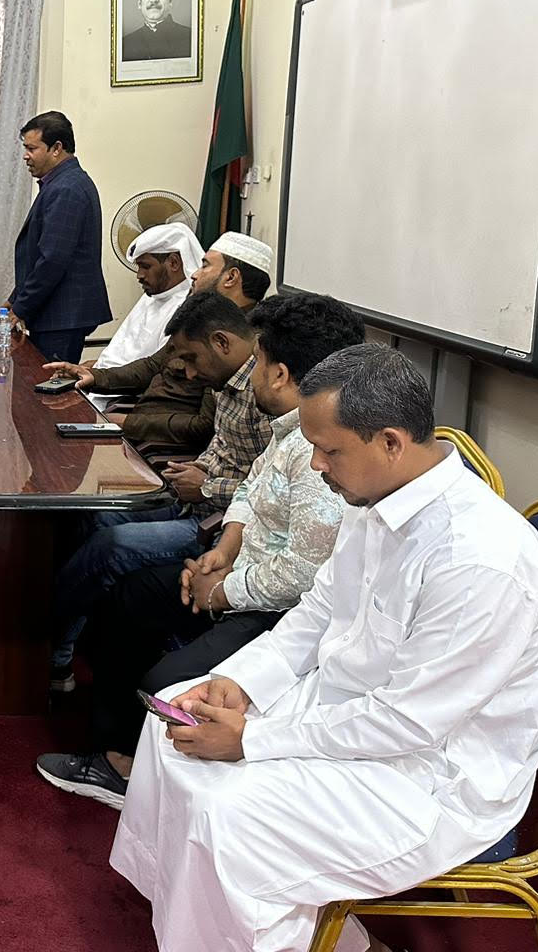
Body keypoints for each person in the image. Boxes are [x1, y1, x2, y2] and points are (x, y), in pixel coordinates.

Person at [111, 344, 538, 952]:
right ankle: (235, 927)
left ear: (390, 442)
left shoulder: (480, 561)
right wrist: (242, 681)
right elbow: (319, 611)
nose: (317, 465)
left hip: (429, 776)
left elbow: (409, 722)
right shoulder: (376, 494)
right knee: (176, 710)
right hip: (348, 713)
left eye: (329, 450)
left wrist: (254, 740)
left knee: (232, 813)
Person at [37, 293, 365, 808]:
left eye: (259, 363)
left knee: (163, 679)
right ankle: (114, 755)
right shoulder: (290, 428)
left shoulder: (318, 448)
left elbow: (303, 576)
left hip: (273, 608)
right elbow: (252, 490)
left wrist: (220, 591)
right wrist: (225, 547)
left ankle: (137, 773)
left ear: (280, 374)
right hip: (237, 570)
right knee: (126, 598)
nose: (252, 375)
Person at [48, 291, 273, 692]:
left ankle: (45, 642)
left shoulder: (267, 393)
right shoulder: (224, 379)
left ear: (221, 342)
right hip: (193, 497)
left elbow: (266, 490)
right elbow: (221, 447)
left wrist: (207, 486)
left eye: (191, 359)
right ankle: (64, 643)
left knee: (112, 545)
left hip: (220, 523)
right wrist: (200, 469)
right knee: (90, 512)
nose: (188, 373)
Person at [51, 231, 274, 457]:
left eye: (205, 266)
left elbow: (205, 426)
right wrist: (94, 377)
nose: (194, 274)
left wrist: (128, 423)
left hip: (162, 449)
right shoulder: (200, 318)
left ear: (231, 277)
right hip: (138, 427)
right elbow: (152, 365)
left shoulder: (236, 342)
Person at [9, 110, 111, 363]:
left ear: (56, 148)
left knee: (50, 386)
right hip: (58, 314)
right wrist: (14, 300)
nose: (26, 155)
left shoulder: (67, 188)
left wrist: (21, 308)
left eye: (32, 148)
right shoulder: (62, 182)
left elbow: (52, 260)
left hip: (61, 315)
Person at [91, 221, 205, 374]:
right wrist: (94, 367)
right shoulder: (153, 296)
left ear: (174, 263)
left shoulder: (189, 308)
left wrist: (98, 376)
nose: (139, 275)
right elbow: (121, 352)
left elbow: (152, 371)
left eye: (146, 267)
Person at [122, 0, 193, 61]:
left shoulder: (190, 37)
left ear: (170, 0)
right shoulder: (125, 43)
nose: (154, 0)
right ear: (139, 3)